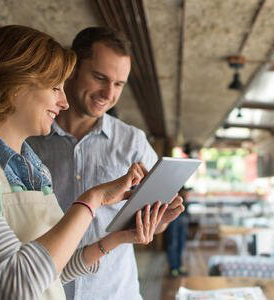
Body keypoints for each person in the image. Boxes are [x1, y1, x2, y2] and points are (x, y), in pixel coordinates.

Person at [0, 25, 168, 300]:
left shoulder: (33, 167)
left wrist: (120, 237)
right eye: (55, 87)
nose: (63, 102)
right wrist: (92, 199)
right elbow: (16, 284)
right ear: (14, 86)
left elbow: (50, 271)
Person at [28, 27, 186, 300]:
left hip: (113, 290)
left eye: (119, 84)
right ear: (73, 67)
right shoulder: (30, 139)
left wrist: (157, 221)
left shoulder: (133, 142)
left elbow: (154, 221)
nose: (108, 93)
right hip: (45, 288)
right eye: (100, 77)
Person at [165, 187, 191, 277]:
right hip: (173, 219)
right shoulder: (174, 188)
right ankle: (173, 267)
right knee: (172, 242)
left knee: (181, 243)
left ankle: (179, 266)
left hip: (183, 218)